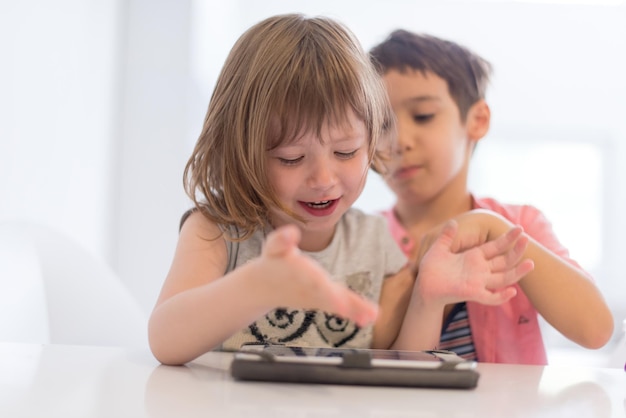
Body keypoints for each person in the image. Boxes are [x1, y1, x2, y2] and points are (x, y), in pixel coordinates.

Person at [148, 14, 534, 366]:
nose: (323, 178)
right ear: (242, 149)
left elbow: (399, 362)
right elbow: (165, 341)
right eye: (291, 157)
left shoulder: (373, 241)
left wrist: (428, 301)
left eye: (345, 151)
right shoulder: (216, 230)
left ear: (371, 141)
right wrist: (256, 287)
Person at [369, 30, 614, 364]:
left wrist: (491, 226)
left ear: (478, 120)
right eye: (381, 124)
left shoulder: (520, 224)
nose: (398, 141)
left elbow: (595, 330)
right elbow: (381, 372)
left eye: (423, 116)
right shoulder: (364, 242)